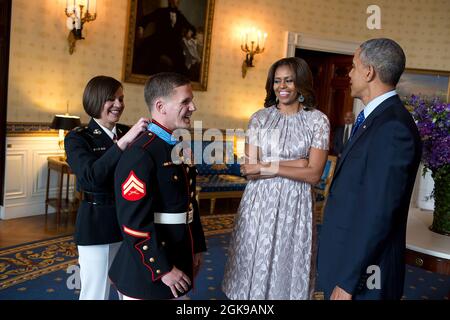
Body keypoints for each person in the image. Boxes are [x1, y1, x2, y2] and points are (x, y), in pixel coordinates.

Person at [317, 38, 422, 300]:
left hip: (366, 276)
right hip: (348, 260)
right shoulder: (374, 119)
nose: (349, 74)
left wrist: (348, 281)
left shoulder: (392, 127)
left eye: (353, 66)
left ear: (369, 71)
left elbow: (378, 213)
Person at [222, 57, 330, 300]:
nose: (282, 86)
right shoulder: (260, 118)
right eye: (277, 81)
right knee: (253, 259)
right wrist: (298, 162)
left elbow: (313, 174)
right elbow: (249, 169)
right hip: (259, 202)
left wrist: (266, 165)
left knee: (287, 262)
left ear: (301, 83)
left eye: (289, 80)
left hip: (296, 204)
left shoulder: (317, 121)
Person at [109, 72, 206, 300]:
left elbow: (190, 202)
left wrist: (197, 246)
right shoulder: (141, 153)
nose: (193, 107)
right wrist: (162, 269)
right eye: (185, 101)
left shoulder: (177, 146)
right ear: (161, 106)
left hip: (179, 256)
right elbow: (133, 223)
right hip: (148, 272)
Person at [64, 76, 149, 300]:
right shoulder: (77, 138)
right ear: (95, 100)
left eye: (121, 98)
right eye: (111, 99)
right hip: (96, 223)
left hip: (130, 221)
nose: (119, 104)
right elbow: (91, 177)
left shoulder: (128, 131)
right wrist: (123, 144)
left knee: (130, 289)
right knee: (96, 292)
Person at [133, 0, 195, 77]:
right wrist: (141, 27)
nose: (178, 1)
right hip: (159, 41)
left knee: (180, 63)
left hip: (173, 44)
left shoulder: (180, 16)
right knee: (147, 56)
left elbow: (191, 27)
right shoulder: (161, 11)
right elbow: (146, 19)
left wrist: (190, 31)